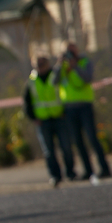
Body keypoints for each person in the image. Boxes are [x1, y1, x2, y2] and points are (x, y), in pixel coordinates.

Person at [58, 42, 112, 181]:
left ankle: (104, 168)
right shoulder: (62, 66)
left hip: (84, 107)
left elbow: (88, 78)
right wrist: (60, 64)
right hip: (69, 108)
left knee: (92, 138)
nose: (70, 55)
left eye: (72, 51)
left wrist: (75, 66)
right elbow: (54, 81)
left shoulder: (84, 62)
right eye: (67, 52)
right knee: (77, 141)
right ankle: (88, 171)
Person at [23, 55, 75, 187]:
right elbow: (27, 102)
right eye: (37, 65)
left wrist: (65, 111)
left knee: (66, 147)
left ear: (47, 64)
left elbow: (64, 92)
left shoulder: (55, 76)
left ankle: (70, 172)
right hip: (43, 121)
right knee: (48, 151)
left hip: (59, 117)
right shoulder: (32, 81)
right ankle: (55, 176)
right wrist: (34, 118)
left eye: (42, 64)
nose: (40, 67)